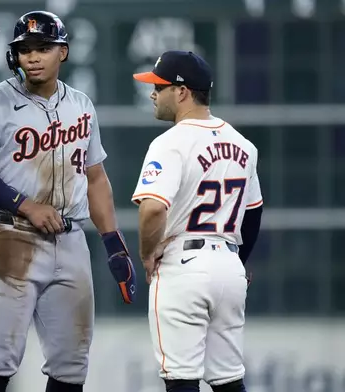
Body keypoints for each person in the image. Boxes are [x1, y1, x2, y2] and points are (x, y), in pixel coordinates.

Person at [0, 11, 137, 392]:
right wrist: (26, 205)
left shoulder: (81, 104)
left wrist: (113, 244)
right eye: (24, 49)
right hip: (13, 238)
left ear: (62, 52)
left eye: (43, 48)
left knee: (72, 365)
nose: (32, 56)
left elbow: (96, 178)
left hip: (72, 238)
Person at [131, 50, 263, 392]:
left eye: (158, 87)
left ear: (181, 92)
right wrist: (238, 260)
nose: (152, 94)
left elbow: (152, 209)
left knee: (181, 380)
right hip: (229, 267)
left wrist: (147, 253)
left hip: (184, 265)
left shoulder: (169, 143)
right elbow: (253, 212)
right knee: (229, 379)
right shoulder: (243, 145)